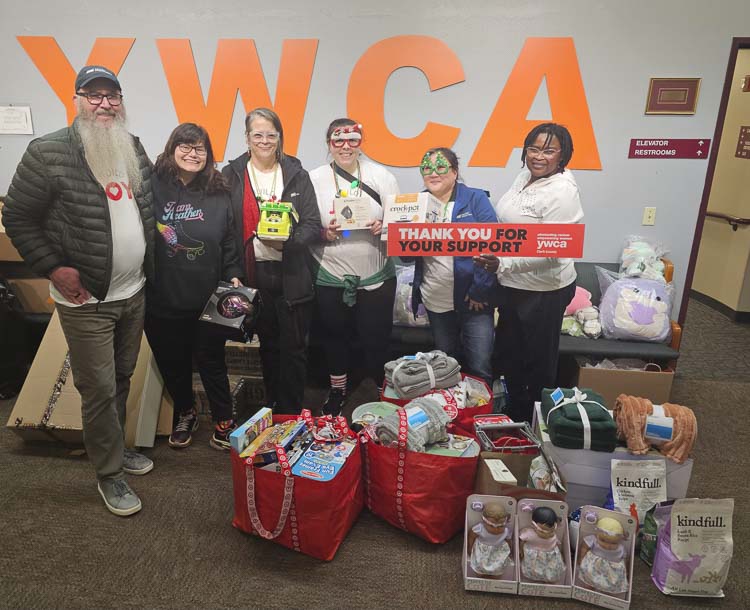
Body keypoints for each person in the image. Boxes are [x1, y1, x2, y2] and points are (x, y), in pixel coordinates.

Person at [2, 65, 155, 517]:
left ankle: (116, 450)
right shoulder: (47, 153)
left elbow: (142, 209)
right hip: (86, 300)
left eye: (112, 95)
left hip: (133, 292)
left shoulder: (131, 146)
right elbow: (17, 219)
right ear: (77, 100)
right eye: (94, 95)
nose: (104, 103)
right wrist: (52, 268)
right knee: (100, 388)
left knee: (123, 377)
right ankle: (110, 475)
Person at [146, 123, 244, 451]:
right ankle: (185, 412)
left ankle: (223, 417)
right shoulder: (152, 185)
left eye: (200, 148)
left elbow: (230, 238)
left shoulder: (219, 189)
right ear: (172, 149)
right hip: (163, 295)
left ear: (209, 154)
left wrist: (233, 273)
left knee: (212, 360)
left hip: (209, 296)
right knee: (173, 362)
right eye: (185, 146)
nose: (192, 153)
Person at [477, 123, 583, 423]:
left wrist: (503, 263)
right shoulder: (525, 175)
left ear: (563, 156)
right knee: (510, 354)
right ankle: (513, 412)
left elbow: (553, 250)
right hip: (513, 286)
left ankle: (536, 424)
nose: (539, 156)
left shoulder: (562, 192)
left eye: (549, 151)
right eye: (533, 149)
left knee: (537, 362)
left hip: (543, 291)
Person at [222, 108, 320, 414]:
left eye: (271, 134)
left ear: (279, 138)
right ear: (247, 138)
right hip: (254, 274)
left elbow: (313, 224)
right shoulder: (231, 176)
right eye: (258, 134)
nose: (265, 141)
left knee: (294, 350)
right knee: (267, 346)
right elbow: (227, 229)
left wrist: (288, 241)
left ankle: (291, 412)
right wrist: (234, 271)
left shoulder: (296, 175)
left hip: (291, 272)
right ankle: (273, 408)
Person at [309, 119, 400, 415]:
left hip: (376, 273)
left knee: (376, 337)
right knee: (334, 337)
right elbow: (305, 225)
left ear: (361, 142)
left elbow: (400, 223)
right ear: (328, 144)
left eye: (352, 140)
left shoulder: (382, 176)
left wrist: (384, 226)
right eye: (339, 141)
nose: (346, 146)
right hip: (331, 272)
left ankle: (380, 390)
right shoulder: (314, 178)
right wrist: (324, 233)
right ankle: (337, 390)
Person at [410, 148, 497, 386]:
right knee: (444, 365)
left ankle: (479, 417)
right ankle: (450, 415)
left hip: (473, 301)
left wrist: (480, 290)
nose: (433, 173)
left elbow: (492, 245)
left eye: (441, 167)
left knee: (479, 364)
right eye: (427, 168)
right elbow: (407, 257)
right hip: (436, 299)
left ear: (455, 172)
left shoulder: (476, 199)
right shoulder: (416, 203)